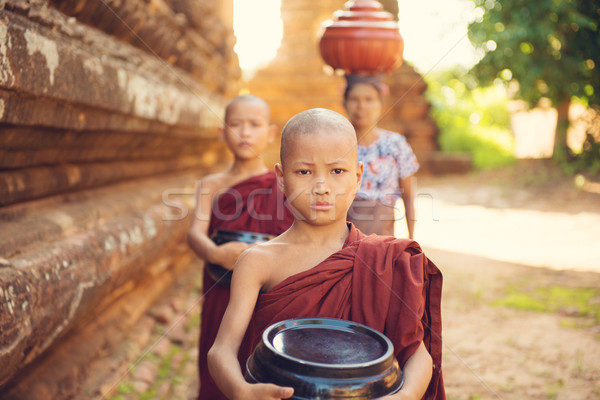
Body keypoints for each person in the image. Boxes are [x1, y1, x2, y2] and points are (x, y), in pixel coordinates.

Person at [208, 108, 445, 400]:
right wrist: (240, 390)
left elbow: (417, 354)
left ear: (358, 176)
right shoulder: (258, 262)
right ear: (281, 177)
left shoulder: (387, 259)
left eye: (337, 171)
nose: (321, 187)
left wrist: (403, 397)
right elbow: (222, 350)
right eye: (304, 172)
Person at [187, 94, 294, 400]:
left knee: (258, 355)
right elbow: (195, 233)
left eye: (254, 125)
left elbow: (292, 236)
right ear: (222, 133)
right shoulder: (211, 184)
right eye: (236, 125)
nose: (245, 133)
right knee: (217, 354)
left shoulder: (281, 183)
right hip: (220, 283)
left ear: (271, 133)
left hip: (266, 291)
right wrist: (214, 252)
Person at [343, 74, 419, 238]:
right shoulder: (337, 146)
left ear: (381, 104)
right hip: (342, 243)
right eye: (354, 99)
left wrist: (411, 240)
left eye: (369, 99)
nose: (361, 106)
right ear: (345, 103)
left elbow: (409, 196)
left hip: (383, 240)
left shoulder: (395, 145)